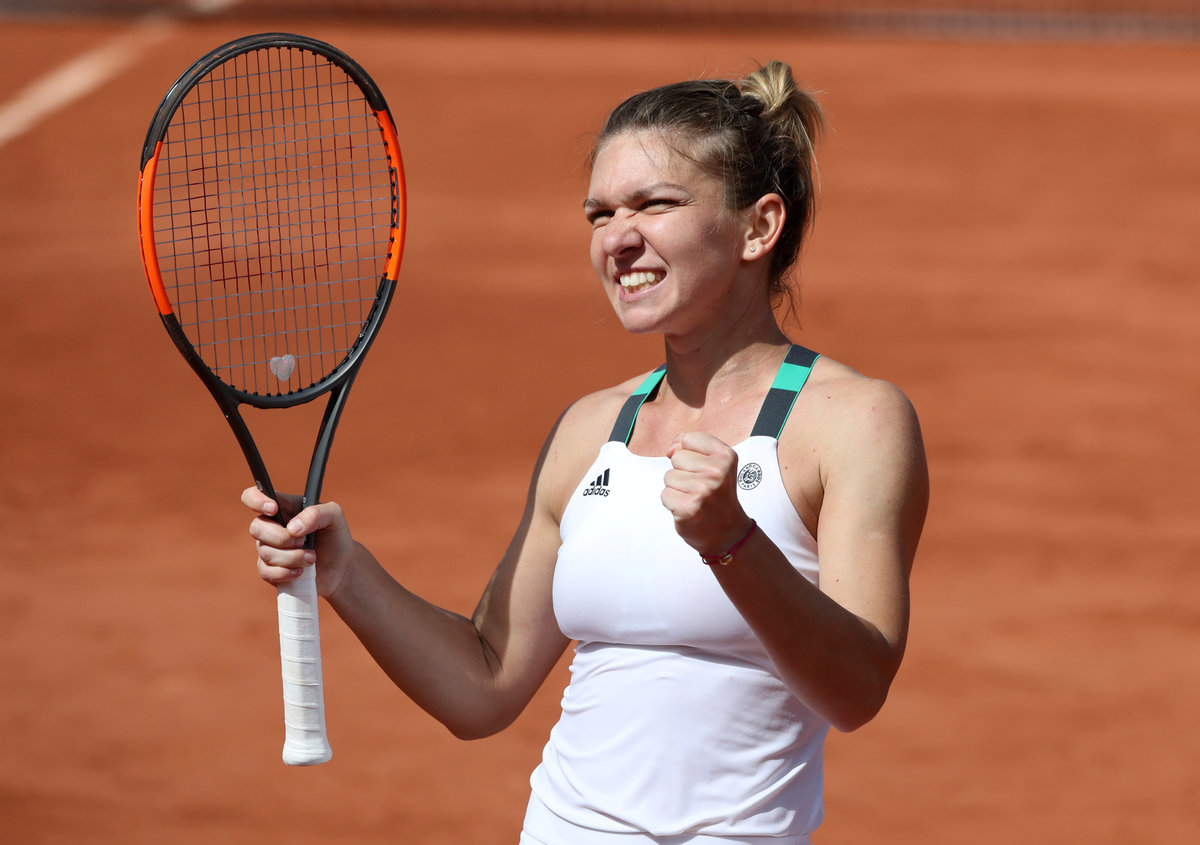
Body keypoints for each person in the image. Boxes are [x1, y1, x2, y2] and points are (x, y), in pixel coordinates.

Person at [244, 59, 929, 844]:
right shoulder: (590, 430)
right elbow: (485, 681)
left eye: (655, 204)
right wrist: (345, 572)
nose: (617, 239)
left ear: (759, 226)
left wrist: (734, 543)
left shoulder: (853, 422)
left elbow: (856, 689)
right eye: (599, 214)